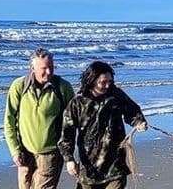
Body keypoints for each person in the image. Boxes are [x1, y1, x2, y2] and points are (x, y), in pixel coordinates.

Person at [59, 61, 148, 189]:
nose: (107, 85)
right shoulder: (78, 103)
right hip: (89, 168)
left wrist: (139, 122)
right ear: (92, 80)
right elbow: (67, 133)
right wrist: (69, 160)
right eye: (103, 82)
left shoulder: (116, 95)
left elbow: (132, 111)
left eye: (110, 81)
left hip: (115, 166)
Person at [4, 48, 75, 189]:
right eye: (44, 68)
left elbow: (73, 122)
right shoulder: (19, 86)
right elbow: (9, 120)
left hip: (51, 154)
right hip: (24, 153)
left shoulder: (63, 87)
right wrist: (14, 150)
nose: (49, 72)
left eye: (51, 67)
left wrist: (69, 156)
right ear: (32, 68)